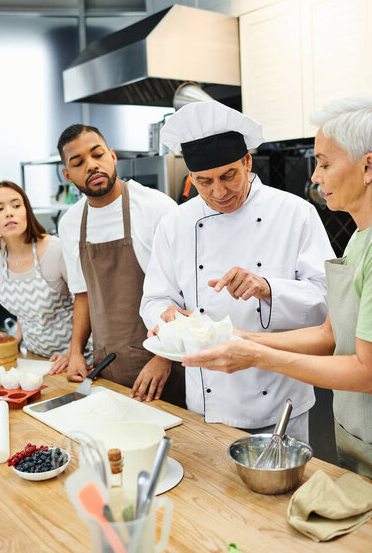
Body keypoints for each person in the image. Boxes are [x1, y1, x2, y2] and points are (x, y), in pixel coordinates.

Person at [182, 95, 372, 477]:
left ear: (367, 166)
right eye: (204, 181)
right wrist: (239, 338)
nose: (315, 176)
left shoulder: (302, 216)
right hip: (357, 436)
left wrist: (256, 356)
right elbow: (329, 334)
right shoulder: (358, 239)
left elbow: (367, 372)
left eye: (324, 162)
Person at [140, 101, 335, 441]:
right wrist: (166, 318)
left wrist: (269, 288)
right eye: (204, 181)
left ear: (247, 162)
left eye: (228, 175)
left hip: (280, 401)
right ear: (191, 178)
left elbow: (328, 301)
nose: (219, 192)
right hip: (206, 403)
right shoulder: (175, 224)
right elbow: (154, 298)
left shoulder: (295, 213)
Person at [57, 124, 185, 406]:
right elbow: (83, 294)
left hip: (163, 365)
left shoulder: (156, 208)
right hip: (108, 365)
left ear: (112, 157)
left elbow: (182, 295)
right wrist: (76, 350)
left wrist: (163, 356)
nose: (91, 166)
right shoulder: (69, 224)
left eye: (97, 155)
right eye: (78, 163)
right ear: (67, 175)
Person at [0, 181, 89, 374]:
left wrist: (73, 352)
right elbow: (24, 308)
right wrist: (15, 342)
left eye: (16, 205)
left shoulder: (54, 249)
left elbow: (86, 299)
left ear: (27, 211)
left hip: (74, 360)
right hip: (34, 358)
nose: (9, 213)